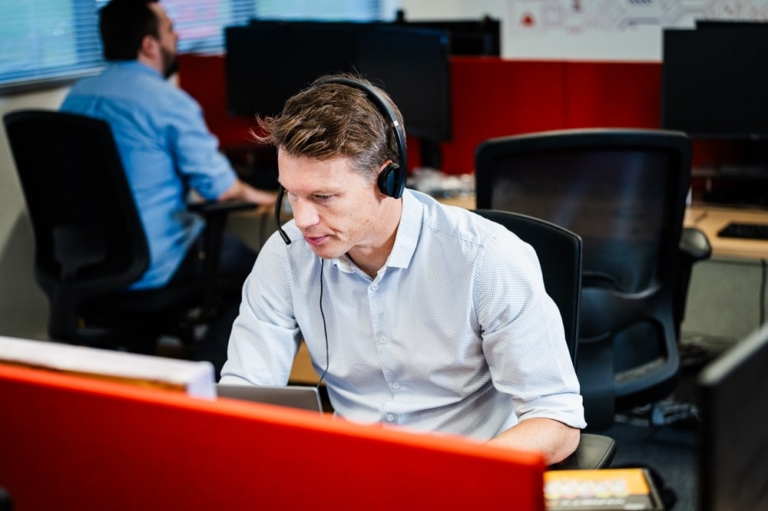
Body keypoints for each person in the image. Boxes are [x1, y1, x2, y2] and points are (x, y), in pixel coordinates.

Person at [220, 73, 585, 465]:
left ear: (388, 180)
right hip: (356, 473)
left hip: (469, 471)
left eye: (323, 197)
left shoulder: (487, 258)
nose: (303, 219)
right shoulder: (286, 253)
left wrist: (456, 477)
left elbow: (556, 420)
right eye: (291, 194)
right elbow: (245, 390)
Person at [60, 0, 274, 374]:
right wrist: (270, 197)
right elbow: (221, 190)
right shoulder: (168, 102)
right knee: (262, 272)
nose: (177, 37)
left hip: (83, 263)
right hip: (154, 266)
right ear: (149, 45)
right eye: (170, 29)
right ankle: (202, 376)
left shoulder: (76, 97)